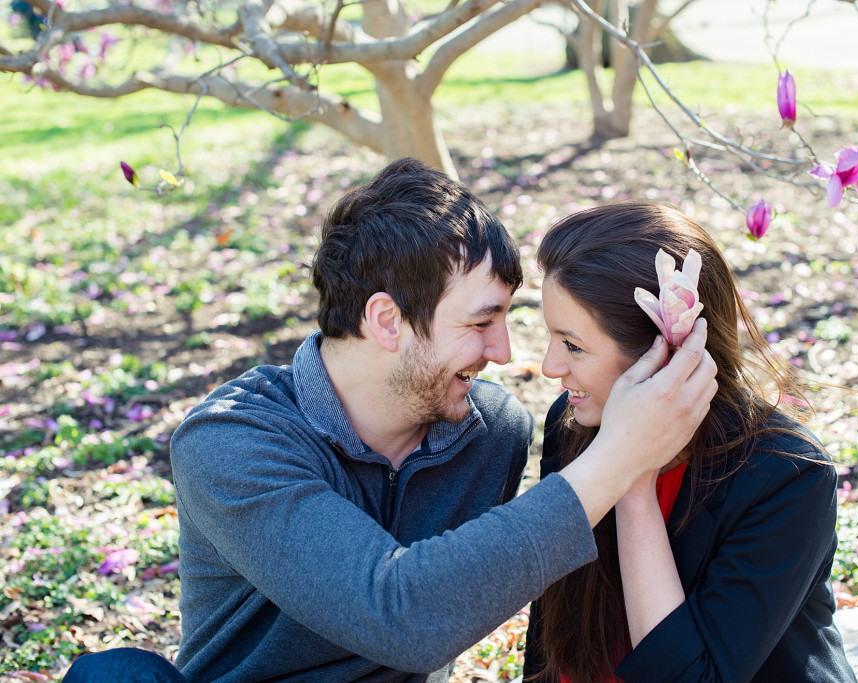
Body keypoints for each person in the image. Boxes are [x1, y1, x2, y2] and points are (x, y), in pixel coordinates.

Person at [63, 159, 718, 682]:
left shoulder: (493, 433)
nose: (504, 353)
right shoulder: (231, 441)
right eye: (481, 321)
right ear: (386, 321)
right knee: (116, 674)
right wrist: (623, 454)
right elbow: (402, 612)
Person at [523, 202, 857, 682]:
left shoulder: (787, 477)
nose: (550, 366)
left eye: (572, 345)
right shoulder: (573, 423)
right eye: (551, 338)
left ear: (662, 358)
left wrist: (633, 479)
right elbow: (554, 621)